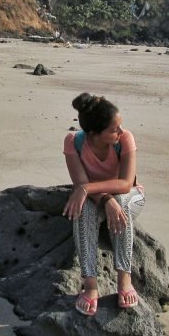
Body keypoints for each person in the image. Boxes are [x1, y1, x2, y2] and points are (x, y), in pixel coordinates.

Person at [62, 92, 146, 316]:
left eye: (119, 126)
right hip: (95, 198)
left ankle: (124, 279)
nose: (120, 131)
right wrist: (102, 197)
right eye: (113, 129)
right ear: (93, 134)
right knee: (83, 211)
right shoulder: (74, 142)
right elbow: (80, 182)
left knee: (121, 203)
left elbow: (126, 184)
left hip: (130, 195)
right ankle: (90, 286)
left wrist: (91, 190)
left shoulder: (125, 139)